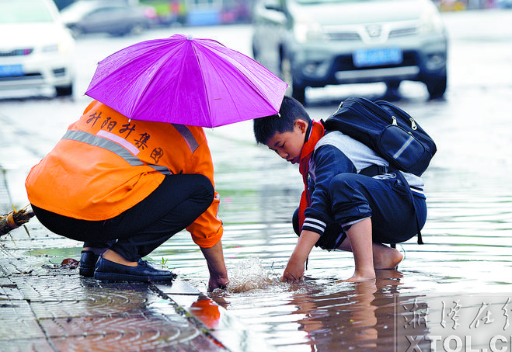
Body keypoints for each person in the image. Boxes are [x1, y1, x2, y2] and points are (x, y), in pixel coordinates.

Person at [25, 100, 229, 291]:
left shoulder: (102, 103)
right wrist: (218, 275)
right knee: (200, 189)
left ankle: (94, 253)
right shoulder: (188, 133)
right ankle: (121, 257)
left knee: (115, 173)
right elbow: (204, 211)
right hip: (92, 219)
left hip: (43, 204)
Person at [253, 96, 427, 282]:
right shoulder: (312, 155)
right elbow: (316, 210)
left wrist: (296, 260)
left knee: (342, 185)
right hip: (383, 208)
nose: (281, 154)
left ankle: (364, 271)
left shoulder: (329, 148)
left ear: (301, 126)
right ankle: (382, 256)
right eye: (274, 150)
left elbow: (321, 207)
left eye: (281, 145)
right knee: (302, 218)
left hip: (405, 208)